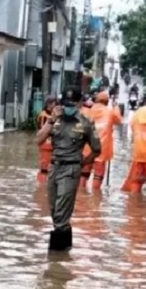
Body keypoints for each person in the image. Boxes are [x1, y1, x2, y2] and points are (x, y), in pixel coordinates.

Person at [36, 87, 101, 251]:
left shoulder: (85, 123)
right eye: (65, 104)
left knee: (61, 214)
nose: (68, 107)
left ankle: (57, 258)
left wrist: (82, 163)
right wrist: (51, 121)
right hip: (54, 167)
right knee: (54, 210)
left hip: (71, 169)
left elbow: (96, 149)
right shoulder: (54, 119)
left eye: (72, 104)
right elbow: (38, 139)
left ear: (79, 103)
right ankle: (65, 248)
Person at [80, 91, 122, 190]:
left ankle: (80, 195)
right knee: (98, 175)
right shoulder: (110, 112)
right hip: (102, 149)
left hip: (86, 148)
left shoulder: (87, 111)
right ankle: (96, 197)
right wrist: (116, 107)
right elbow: (119, 120)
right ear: (107, 102)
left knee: (84, 173)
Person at [36, 97, 57, 183]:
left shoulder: (52, 115)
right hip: (45, 144)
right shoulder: (43, 115)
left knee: (50, 168)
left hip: (52, 145)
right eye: (54, 104)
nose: (55, 106)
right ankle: (41, 186)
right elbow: (43, 130)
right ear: (49, 104)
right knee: (44, 168)